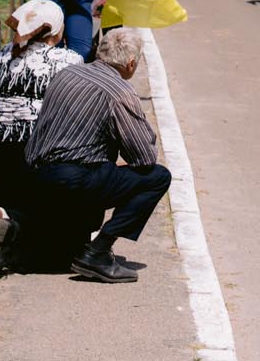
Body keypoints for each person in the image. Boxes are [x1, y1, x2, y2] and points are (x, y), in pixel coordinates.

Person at [24, 29, 172, 283]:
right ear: (131, 63)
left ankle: (17, 228)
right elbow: (144, 157)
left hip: (33, 173)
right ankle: (99, 251)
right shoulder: (119, 91)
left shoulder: (66, 74)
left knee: (96, 170)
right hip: (74, 180)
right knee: (157, 177)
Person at [0, 0, 85, 276]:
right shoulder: (69, 60)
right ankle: (15, 225)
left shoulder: (4, 55)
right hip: (38, 158)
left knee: (21, 201)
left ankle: (6, 215)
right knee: (52, 209)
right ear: (56, 31)